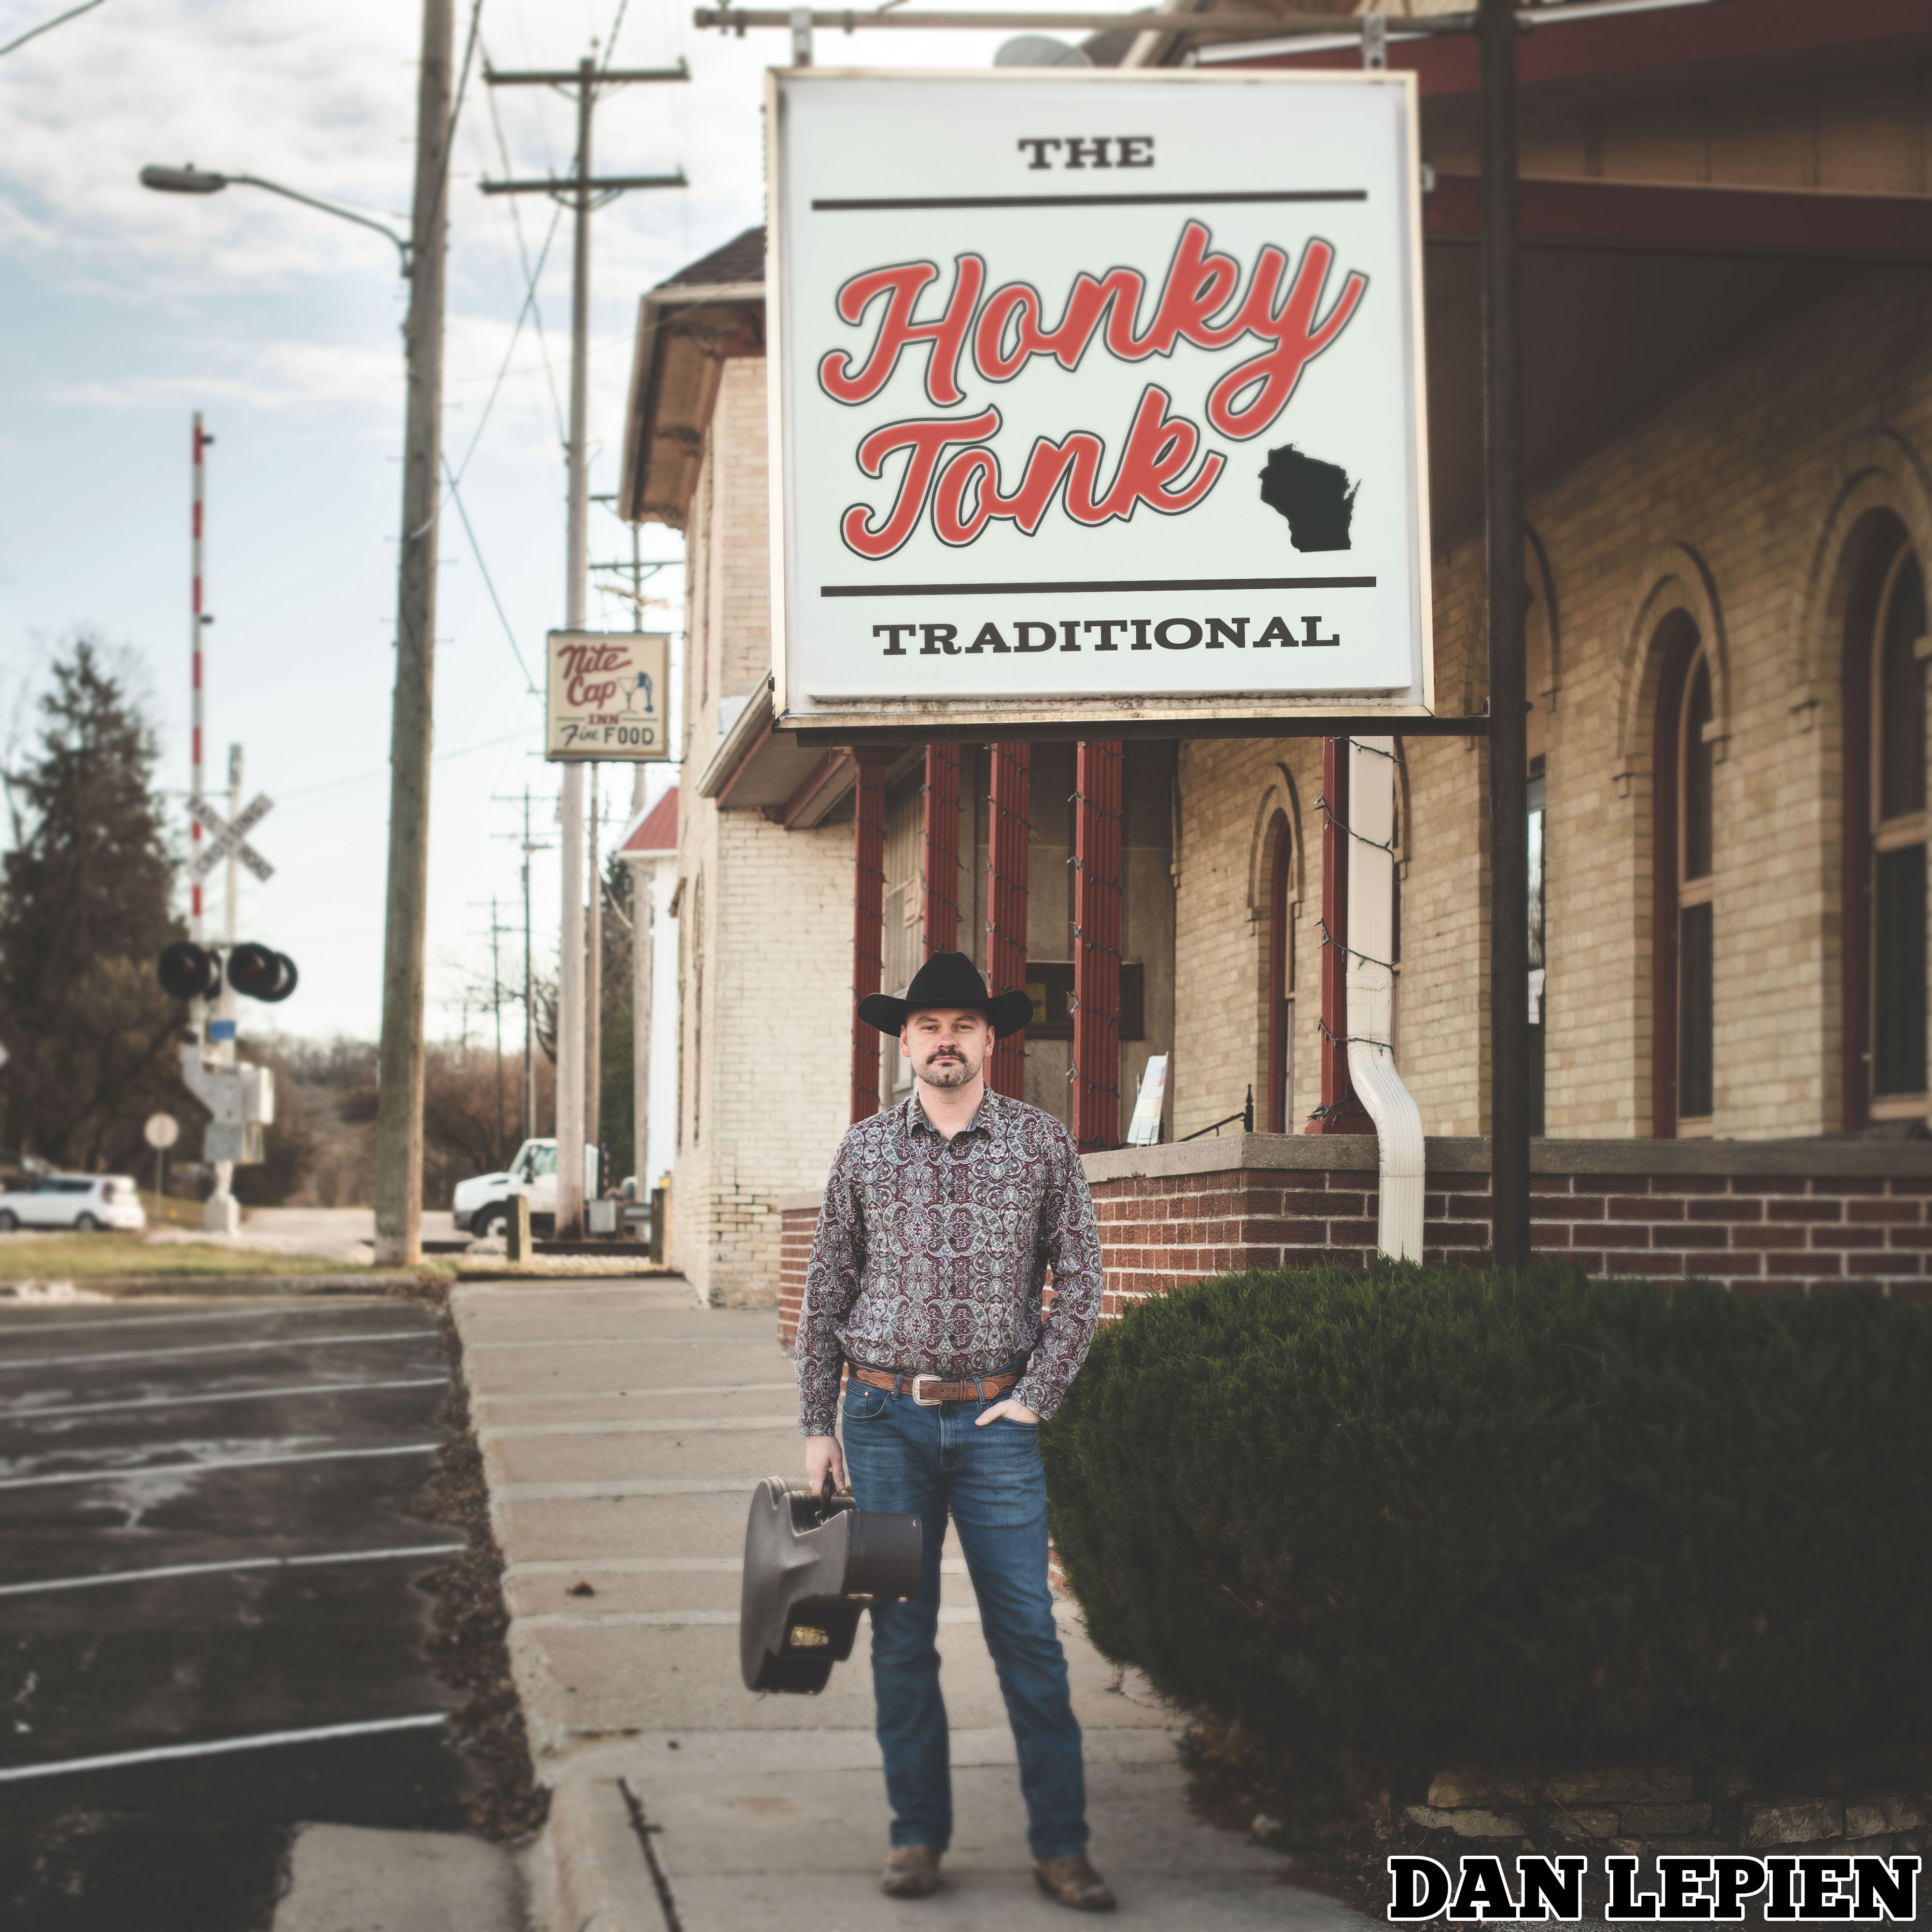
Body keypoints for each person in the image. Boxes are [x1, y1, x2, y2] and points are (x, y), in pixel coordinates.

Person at [797, 950, 1114, 1911]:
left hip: (996, 1427)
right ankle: (915, 1839)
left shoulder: (1041, 1144)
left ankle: (1062, 1847)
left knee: (1028, 1635)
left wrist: (1038, 1395)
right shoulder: (863, 1151)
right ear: (905, 1042)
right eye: (928, 1026)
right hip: (884, 1421)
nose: (945, 1041)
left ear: (990, 1040)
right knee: (902, 1639)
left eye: (963, 1026)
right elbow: (827, 1294)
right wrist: (819, 1425)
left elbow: (1084, 1278)